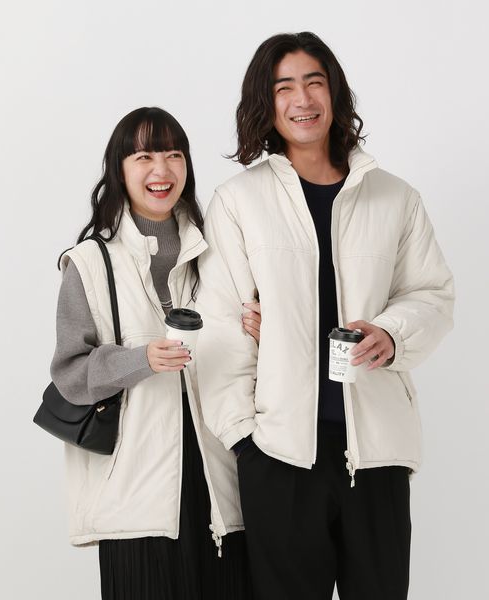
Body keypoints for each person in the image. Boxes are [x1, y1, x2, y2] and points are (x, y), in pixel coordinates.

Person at [195, 32, 454, 600]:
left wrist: (392, 332)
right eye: (284, 87)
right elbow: (218, 328)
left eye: (314, 82)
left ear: (334, 93)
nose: (302, 99)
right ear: (266, 103)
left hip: (376, 452)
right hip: (279, 456)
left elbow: (433, 295)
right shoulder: (239, 201)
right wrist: (246, 442)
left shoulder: (395, 197)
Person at [50, 106, 259, 600]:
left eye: (173, 154)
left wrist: (259, 331)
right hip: (136, 494)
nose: (161, 170)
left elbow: (246, 355)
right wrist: (141, 359)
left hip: (221, 482)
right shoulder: (90, 262)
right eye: (144, 156)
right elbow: (70, 372)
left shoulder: (219, 254)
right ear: (119, 169)